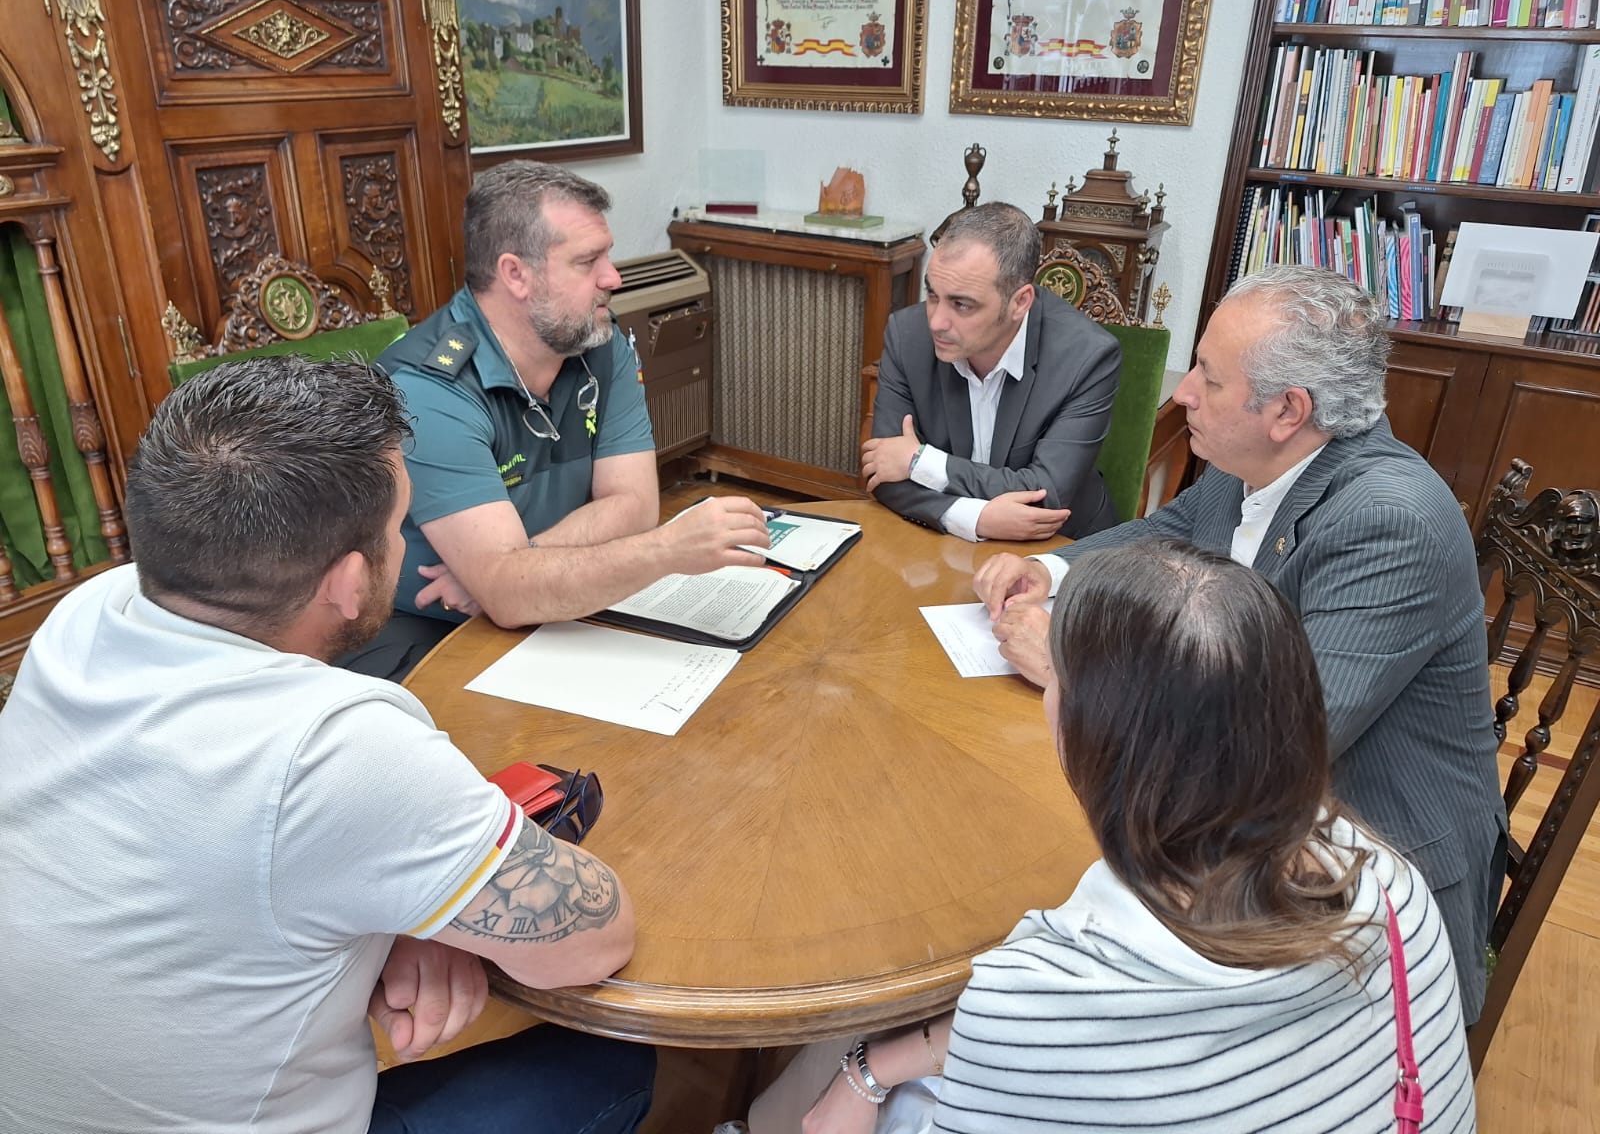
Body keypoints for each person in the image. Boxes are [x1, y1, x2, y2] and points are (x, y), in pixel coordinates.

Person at [0, 357, 654, 1134]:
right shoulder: (337, 751)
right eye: (398, 528)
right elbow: (592, 941)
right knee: (610, 1063)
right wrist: (438, 912)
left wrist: (420, 915)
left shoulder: (88, 610)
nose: (405, 547)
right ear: (347, 581)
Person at [750, 541, 1477, 1134]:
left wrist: (865, 1073)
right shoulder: (1384, 877)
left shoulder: (1042, 991)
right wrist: (893, 1057)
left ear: (1092, 731)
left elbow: (1041, 1029)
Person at [972, 263, 1505, 1023]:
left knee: (1060, 920)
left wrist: (1070, 664)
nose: (1183, 392)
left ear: (1287, 410)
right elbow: (1174, 530)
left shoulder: (1393, 521)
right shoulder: (1252, 460)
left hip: (1362, 871)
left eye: (1208, 379)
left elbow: (1276, 745)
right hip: (1254, 821)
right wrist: (1049, 568)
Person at [349, 160, 769, 679]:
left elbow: (635, 506)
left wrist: (518, 566)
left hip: (555, 596)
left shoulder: (599, 343)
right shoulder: (429, 389)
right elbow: (507, 596)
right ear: (515, 274)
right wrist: (665, 550)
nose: (613, 277)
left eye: (607, 255)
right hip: (429, 631)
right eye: (587, 261)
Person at [861, 202, 1122, 542]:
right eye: (933, 294)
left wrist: (921, 463)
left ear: (1020, 302)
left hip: (1062, 549)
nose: (937, 322)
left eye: (962, 304)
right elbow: (882, 473)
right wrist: (975, 519)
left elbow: (1046, 495)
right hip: (942, 542)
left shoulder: (1087, 358)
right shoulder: (907, 335)